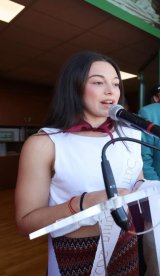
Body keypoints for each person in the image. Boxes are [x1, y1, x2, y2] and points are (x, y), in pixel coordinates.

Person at [14, 51, 145, 275]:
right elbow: (25, 223)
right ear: (74, 87)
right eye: (98, 82)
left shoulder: (130, 136)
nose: (110, 91)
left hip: (127, 243)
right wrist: (82, 203)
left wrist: (143, 191)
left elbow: (137, 181)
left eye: (115, 84)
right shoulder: (44, 143)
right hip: (74, 252)